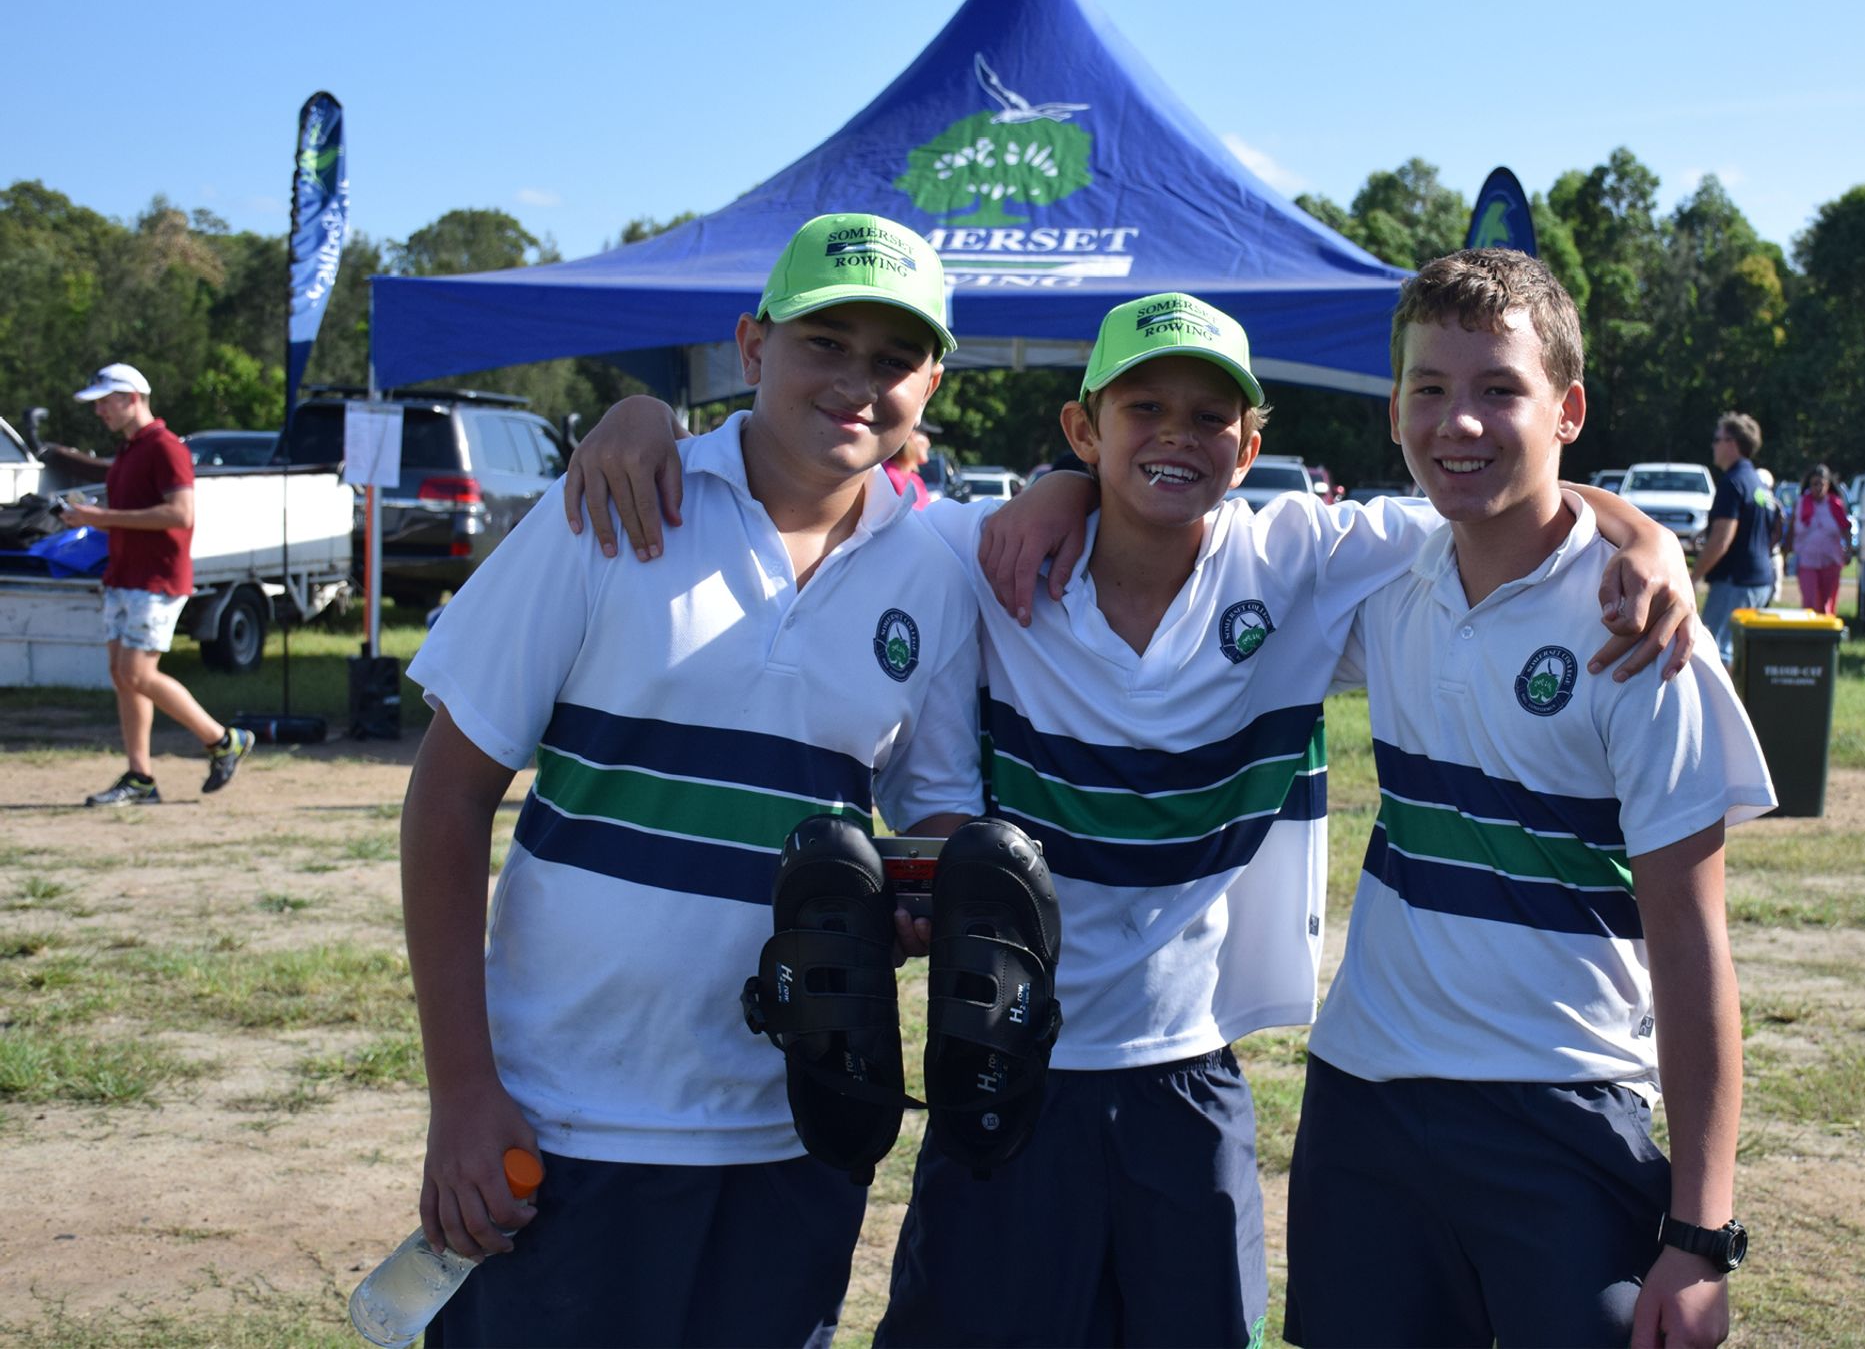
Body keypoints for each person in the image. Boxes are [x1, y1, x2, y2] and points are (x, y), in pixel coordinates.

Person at [560, 292, 1702, 1347]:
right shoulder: (983, 556)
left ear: (1248, 449)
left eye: (1209, 417)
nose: (1175, 435)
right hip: (1003, 1070)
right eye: (1142, 408)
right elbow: (834, 495)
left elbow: (1512, 506)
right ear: (1082, 428)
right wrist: (645, 417)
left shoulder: (1301, 561)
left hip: (1189, 1073)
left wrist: (1644, 535)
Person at [397, 213, 986, 1347]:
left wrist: (935, 892)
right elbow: (449, 796)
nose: (857, 382)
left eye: (893, 358)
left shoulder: (935, 574)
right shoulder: (612, 500)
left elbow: (933, 812)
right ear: (752, 346)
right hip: (566, 1122)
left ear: (931, 384)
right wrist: (463, 1093)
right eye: (826, 342)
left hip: (797, 1128)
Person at [1283, 248, 1774, 1349]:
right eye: (1429, 389)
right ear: (1395, 412)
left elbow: (1693, 944)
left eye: (1500, 388)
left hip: (1561, 1106)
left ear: (1569, 411)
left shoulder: (1642, 632)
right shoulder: (1384, 580)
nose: (1459, 421)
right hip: (1365, 1104)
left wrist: (1701, 1237)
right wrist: (1066, 487)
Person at [58, 363, 255, 806]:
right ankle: (140, 777)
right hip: (125, 576)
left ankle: (223, 740)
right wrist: (89, 518)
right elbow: (134, 512)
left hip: (156, 580)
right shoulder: (129, 450)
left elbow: (181, 514)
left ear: (132, 398)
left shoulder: (165, 447)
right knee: (122, 676)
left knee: (137, 673)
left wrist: (102, 517)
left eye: (105, 403)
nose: (99, 412)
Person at [1692, 411, 1778, 662]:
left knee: (1714, 652)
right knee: (1741, 652)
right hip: (1761, 581)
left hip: (1735, 581)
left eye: (1717, 439)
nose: (1713, 446)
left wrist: (1694, 576)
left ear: (1732, 443)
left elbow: (1721, 539)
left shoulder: (1732, 482)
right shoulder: (1757, 483)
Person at [1791, 463, 1852, 616]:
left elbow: (1845, 528)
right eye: (1814, 484)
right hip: (1807, 560)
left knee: (1826, 605)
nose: (1818, 488)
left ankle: (1825, 630)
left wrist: (1849, 550)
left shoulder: (1836, 505)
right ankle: (1808, 630)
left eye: (1821, 484)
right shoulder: (1801, 504)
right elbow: (1792, 529)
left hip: (1831, 560)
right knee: (1810, 603)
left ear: (1828, 484)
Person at [883, 426, 931, 509]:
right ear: (911, 436)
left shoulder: (914, 478)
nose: (928, 444)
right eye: (924, 435)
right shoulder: (887, 476)